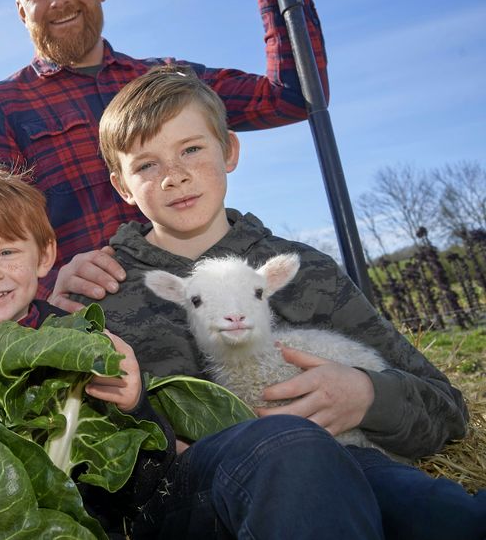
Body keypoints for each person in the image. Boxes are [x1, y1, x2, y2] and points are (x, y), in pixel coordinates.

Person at [82, 65, 485, 539]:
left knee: (452, 519)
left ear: (229, 150)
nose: (174, 176)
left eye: (191, 149)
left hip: (348, 460)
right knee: (290, 451)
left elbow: (447, 409)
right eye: (147, 165)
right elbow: (85, 448)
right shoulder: (103, 293)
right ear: (122, 186)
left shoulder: (305, 271)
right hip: (187, 496)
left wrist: (367, 396)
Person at [0, 0, 326, 304]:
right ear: (21, 12)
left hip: (210, 304)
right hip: (96, 330)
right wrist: (52, 290)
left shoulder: (169, 81)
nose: (58, 1)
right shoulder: (0, 109)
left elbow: (292, 96)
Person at [0, 163, 176, 535]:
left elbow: (148, 488)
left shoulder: (90, 350)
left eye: (7, 252)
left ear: (45, 255)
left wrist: (135, 406)